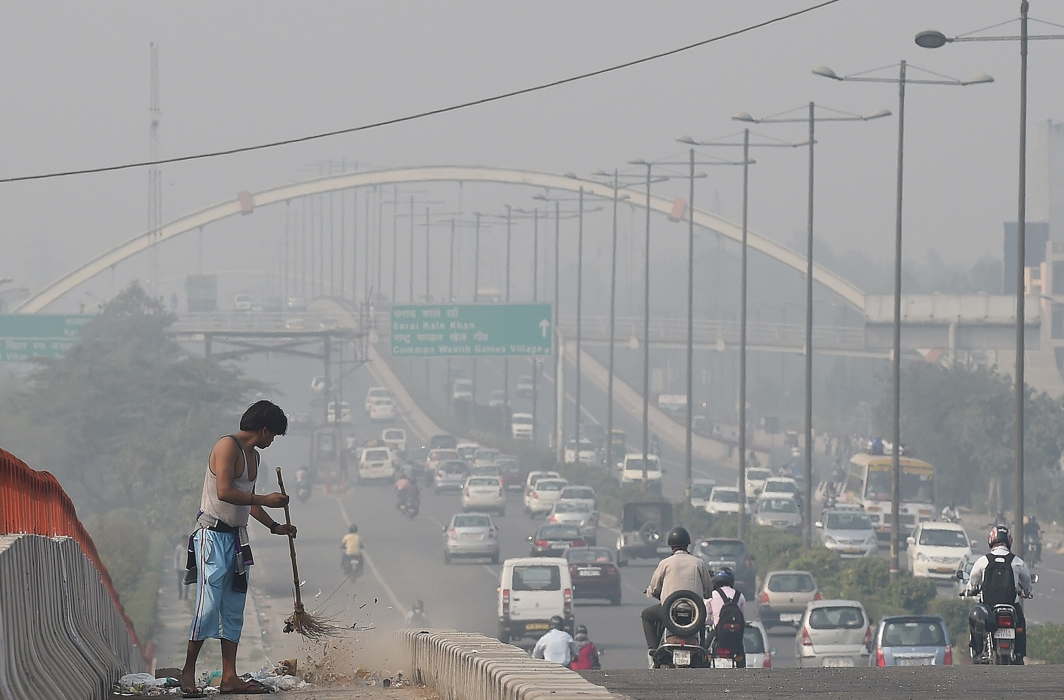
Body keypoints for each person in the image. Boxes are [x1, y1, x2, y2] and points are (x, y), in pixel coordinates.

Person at [180, 400, 296, 697]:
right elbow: (226, 492)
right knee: (208, 606)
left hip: (236, 540)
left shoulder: (254, 457)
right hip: (211, 537)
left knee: (233, 609)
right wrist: (265, 499)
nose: (272, 441)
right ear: (264, 429)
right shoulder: (227, 447)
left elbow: (249, 499)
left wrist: (274, 526)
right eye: (273, 436)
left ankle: (229, 677)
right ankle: (187, 672)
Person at [641, 527, 714, 668]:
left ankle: (653, 650)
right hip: (695, 611)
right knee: (703, 621)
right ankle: (703, 648)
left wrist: (652, 592)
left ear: (671, 545)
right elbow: (708, 590)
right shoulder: (698, 563)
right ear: (688, 544)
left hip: (669, 610)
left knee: (646, 615)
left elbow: (654, 587)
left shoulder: (665, 563)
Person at [965, 524, 1033, 664]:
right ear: (1009, 541)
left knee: (975, 618)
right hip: (1011, 606)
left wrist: (971, 589)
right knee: (1020, 624)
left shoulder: (983, 560)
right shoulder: (1017, 562)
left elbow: (973, 580)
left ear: (991, 540)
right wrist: (1027, 592)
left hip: (988, 607)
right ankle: (1019, 654)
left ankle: (979, 653)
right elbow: (1027, 583)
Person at [705, 568, 746, 668]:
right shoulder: (740, 596)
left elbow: (706, 618)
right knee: (741, 653)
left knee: (704, 651)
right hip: (736, 636)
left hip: (717, 634)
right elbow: (742, 618)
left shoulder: (712, 595)